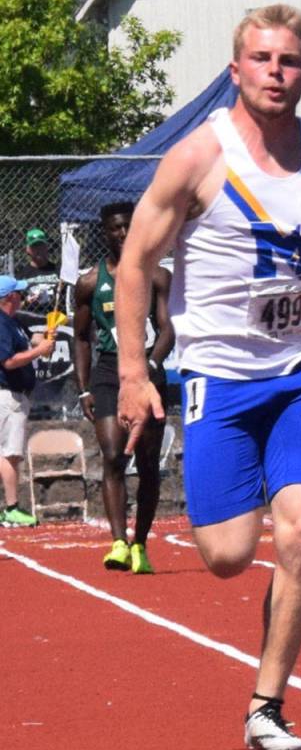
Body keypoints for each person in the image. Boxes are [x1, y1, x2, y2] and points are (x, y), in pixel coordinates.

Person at [115, 4, 301, 750]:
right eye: (261, 60)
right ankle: (244, 499)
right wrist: (136, 372)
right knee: (227, 556)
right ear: (236, 70)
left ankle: (267, 703)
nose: (275, 73)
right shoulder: (198, 158)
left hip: (298, 375)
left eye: (288, 62)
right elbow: (135, 264)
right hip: (218, 377)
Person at [73, 201, 174, 574]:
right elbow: (81, 337)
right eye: (115, 228)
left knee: (148, 464)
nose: (123, 233)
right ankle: (118, 541)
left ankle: (140, 544)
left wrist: (148, 366)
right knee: (114, 455)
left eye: (129, 226)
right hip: (107, 373)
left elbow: (167, 330)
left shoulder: (158, 276)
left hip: (148, 375)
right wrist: (83, 388)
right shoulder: (89, 283)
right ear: (105, 232)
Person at [0, 275, 56, 526]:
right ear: (9, 297)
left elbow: (30, 340)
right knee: (9, 454)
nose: (22, 297)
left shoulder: (14, 322)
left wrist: (46, 336)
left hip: (17, 397)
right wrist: (39, 351)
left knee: (12, 453)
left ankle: (11, 507)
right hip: (7, 395)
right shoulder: (1, 323)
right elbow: (8, 361)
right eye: (18, 293)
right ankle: (11, 507)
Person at [14, 228, 60, 312]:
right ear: (28, 250)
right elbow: (13, 307)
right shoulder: (21, 275)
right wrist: (27, 302)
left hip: (55, 319)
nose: (38, 250)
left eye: (41, 245)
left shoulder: (58, 271)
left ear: (46, 247)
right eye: (34, 246)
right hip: (30, 320)